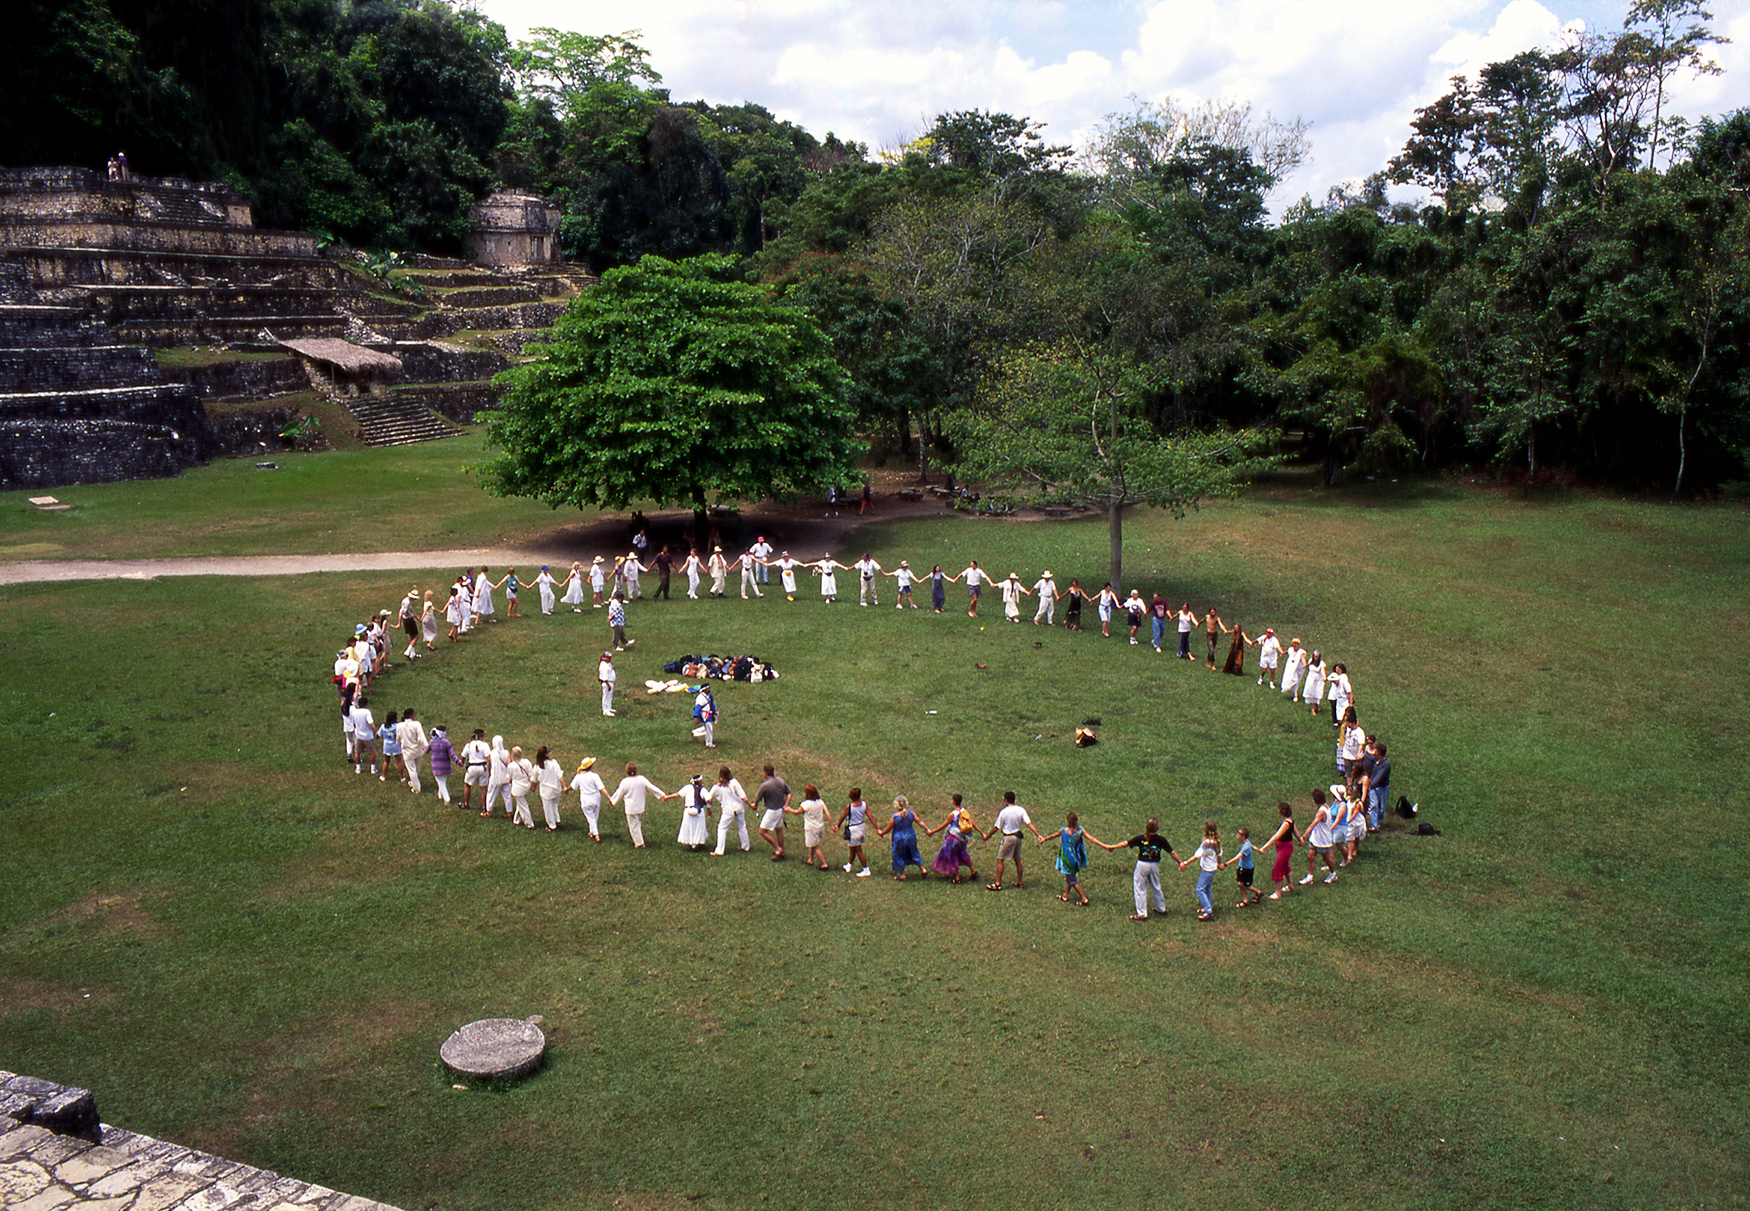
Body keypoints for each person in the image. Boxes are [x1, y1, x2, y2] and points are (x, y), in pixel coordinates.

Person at [1100, 818, 1179, 920]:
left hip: (1142, 864)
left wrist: (1113, 847)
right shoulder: (1161, 840)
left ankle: (1142, 913)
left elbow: (1125, 843)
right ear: (1157, 828)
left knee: (1140, 887)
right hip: (1154, 865)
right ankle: (1161, 908)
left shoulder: (1141, 838)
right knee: (1156, 886)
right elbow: (1172, 852)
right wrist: (1180, 862)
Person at [1041, 812, 1105, 905]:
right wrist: (1103, 845)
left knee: (1072, 880)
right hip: (1076, 858)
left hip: (1067, 859)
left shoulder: (1063, 831)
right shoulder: (1080, 830)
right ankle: (1065, 895)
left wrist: (1044, 839)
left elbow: (1053, 836)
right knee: (1070, 876)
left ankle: (1083, 898)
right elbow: (1092, 839)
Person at [984, 791, 1043, 890]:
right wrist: (1038, 834)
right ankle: (1020, 882)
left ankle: (998, 883)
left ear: (1006, 800)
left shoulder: (1004, 812)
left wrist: (987, 836)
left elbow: (996, 827)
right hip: (1018, 837)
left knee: (1000, 859)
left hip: (1008, 838)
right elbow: (1029, 823)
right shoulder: (1020, 810)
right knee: (1018, 860)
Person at [926, 794, 980, 884]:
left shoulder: (953, 814)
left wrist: (932, 832)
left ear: (953, 801)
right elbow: (973, 823)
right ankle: (973, 872)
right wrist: (982, 833)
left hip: (953, 837)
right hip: (963, 838)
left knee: (952, 856)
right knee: (963, 853)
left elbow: (943, 826)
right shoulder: (965, 812)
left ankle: (957, 877)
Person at [610, 761, 664, 848]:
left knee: (633, 826)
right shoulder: (642, 779)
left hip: (631, 808)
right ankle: (639, 840)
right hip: (640, 806)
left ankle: (639, 844)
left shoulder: (625, 782)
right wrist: (662, 794)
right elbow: (652, 787)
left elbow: (619, 792)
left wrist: (613, 801)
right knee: (637, 823)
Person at [1179, 820, 1222, 920]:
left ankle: (1208, 911)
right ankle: (1208, 906)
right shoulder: (1217, 841)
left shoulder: (1207, 843)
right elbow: (1220, 853)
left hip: (1207, 869)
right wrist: (1220, 863)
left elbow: (1197, 855)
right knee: (1207, 888)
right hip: (1212, 868)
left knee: (1199, 889)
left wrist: (1185, 863)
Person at [877, 795, 926, 879]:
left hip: (899, 838)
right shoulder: (911, 813)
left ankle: (902, 874)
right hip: (911, 836)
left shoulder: (895, 817)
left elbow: (889, 828)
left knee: (898, 854)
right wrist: (927, 829)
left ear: (896, 805)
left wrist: (881, 833)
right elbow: (919, 821)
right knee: (914, 852)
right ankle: (923, 869)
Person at [1297, 788, 1339, 885]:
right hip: (1316, 838)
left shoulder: (1322, 812)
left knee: (1327, 859)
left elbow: (1313, 824)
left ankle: (1333, 874)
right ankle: (1309, 877)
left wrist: (1303, 837)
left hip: (1323, 839)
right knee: (1310, 856)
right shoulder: (1324, 807)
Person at [708, 766, 752, 856]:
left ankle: (719, 850)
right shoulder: (734, 782)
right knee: (742, 826)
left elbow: (708, 798)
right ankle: (745, 846)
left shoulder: (716, 787)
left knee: (722, 828)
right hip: (739, 808)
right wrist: (750, 805)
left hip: (728, 810)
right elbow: (743, 796)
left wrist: (709, 808)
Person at [787, 784, 831, 869]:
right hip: (820, 826)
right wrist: (832, 825)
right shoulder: (820, 802)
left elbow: (797, 812)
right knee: (812, 843)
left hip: (811, 828)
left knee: (815, 847)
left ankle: (824, 864)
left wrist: (789, 809)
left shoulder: (805, 804)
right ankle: (810, 860)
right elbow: (827, 813)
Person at [1261, 803, 1297, 900]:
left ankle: (1278, 893)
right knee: (1284, 866)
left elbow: (1276, 836)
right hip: (1284, 848)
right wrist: (1300, 839)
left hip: (1285, 848)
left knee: (1277, 868)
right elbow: (1295, 831)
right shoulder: (1290, 821)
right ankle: (1290, 885)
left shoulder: (1286, 824)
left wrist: (1265, 847)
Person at [755, 764, 791, 860]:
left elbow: (757, 798)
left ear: (765, 773)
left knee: (762, 831)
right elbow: (789, 793)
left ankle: (778, 848)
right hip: (781, 810)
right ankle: (782, 851)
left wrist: (755, 805)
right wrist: (786, 805)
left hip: (773, 811)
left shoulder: (765, 785)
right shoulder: (780, 781)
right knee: (778, 830)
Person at [1222, 825, 1262, 908]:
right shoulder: (1247, 842)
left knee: (1245, 885)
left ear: (1243, 837)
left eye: (1238, 835)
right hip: (1242, 867)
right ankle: (1245, 900)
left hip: (1247, 869)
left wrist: (1225, 864)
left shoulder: (1245, 848)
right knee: (1240, 884)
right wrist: (1259, 850)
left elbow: (1237, 857)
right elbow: (1252, 846)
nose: (1237, 836)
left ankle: (1258, 892)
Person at [836, 788, 873, 876]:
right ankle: (849, 865)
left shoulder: (849, 807)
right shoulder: (864, 804)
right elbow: (870, 817)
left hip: (853, 829)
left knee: (858, 849)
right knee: (852, 848)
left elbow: (842, 817)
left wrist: (837, 826)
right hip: (861, 827)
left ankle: (866, 869)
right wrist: (878, 828)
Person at [571, 756, 607, 843]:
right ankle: (592, 832)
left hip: (585, 799)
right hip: (595, 797)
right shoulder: (595, 776)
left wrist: (566, 789)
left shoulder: (579, 776)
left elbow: (572, 786)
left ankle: (596, 834)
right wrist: (609, 797)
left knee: (590, 817)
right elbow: (601, 788)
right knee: (595, 816)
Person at [674, 774, 711, 851]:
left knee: (689, 827)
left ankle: (691, 844)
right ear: (700, 782)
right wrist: (708, 808)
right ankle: (698, 843)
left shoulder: (687, 787)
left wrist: (667, 797)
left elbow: (678, 794)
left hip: (688, 811)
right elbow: (709, 799)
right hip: (699, 812)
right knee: (698, 828)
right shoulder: (703, 789)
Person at [532, 745, 565, 831]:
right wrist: (564, 786)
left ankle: (551, 825)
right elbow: (560, 775)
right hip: (556, 789)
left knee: (548, 808)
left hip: (546, 792)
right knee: (554, 805)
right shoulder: (554, 763)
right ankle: (557, 820)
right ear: (546, 754)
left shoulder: (537, 767)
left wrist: (533, 788)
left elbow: (534, 780)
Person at [1360, 739, 1391, 830]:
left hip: (1382, 788)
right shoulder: (1376, 759)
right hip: (1373, 786)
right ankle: (1374, 826)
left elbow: (1379, 777)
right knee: (1373, 805)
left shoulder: (1386, 764)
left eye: (1376, 750)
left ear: (1379, 752)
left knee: (1381, 807)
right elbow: (1374, 772)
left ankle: (1379, 821)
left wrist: (1370, 785)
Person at [398, 708, 428, 795]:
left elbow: (398, 738)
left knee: (412, 770)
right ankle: (415, 784)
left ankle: (416, 787)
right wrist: (426, 746)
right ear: (411, 715)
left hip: (407, 751)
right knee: (416, 769)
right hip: (417, 750)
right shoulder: (416, 724)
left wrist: (398, 742)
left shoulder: (399, 726)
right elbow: (421, 737)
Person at [460, 728, 490, 812]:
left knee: (467, 785)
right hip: (482, 767)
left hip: (472, 767)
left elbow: (463, 756)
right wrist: (490, 768)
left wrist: (462, 762)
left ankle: (466, 803)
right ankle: (484, 807)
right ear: (481, 736)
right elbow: (488, 757)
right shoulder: (485, 745)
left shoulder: (469, 745)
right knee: (483, 788)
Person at [506, 745, 536, 829]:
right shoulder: (527, 762)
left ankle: (529, 823)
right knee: (520, 803)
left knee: (523, 806)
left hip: (518, 788)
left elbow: (509, 777)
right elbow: (531, 774)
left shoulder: (511, 766)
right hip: (526, 786)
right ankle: (516, 820)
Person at [483, 735, 511, 818]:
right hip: (505, 777)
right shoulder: (507, 752)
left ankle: (488, 811)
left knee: (491, 794)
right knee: (507, 796)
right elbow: (509, 765)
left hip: (495, 778)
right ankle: (509, 812)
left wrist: (489, 773)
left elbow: (489, 765)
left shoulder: (491, 754)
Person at [427, 724, 455, 806]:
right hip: (445, 765)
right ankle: (440, 795)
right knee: (443, 780)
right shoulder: (446, 742)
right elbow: (452, 754)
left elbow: (426, 751)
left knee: (440, 782)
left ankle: (446, 798)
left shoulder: (431, 742)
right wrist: (458, 762)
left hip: (436, 766)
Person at [349, 695, 376, 775]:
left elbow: (353, 723)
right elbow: (370, 723)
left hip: (358, 735)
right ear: (366, 704)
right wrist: (376, 731)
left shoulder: (354, 712)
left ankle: (358, 768)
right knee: (372, 752)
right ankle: (373, 769)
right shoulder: (367, 712)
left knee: (357, 752)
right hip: (368, 736)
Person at [379, 711, 403, 784]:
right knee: (398, 761)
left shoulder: (383, 726)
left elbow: (378, 735)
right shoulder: (398, 726)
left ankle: (383, 776)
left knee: (386, 761)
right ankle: (402, 777)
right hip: (396, 745)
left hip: (387, 745)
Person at [1302, 650, 1328, 718]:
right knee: (1311, 694)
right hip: (1311, 680)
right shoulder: (1310, 661)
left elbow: (1323, 671)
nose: (1316, 658)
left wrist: (1324, 677)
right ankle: (1312, 709)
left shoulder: (1321, 663)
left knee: (1317, 693)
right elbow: (1308, 666)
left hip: (1318, 681)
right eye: (1315, 656)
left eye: (1317, 656)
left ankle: (1317, 705)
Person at [1327, 662, 1354, 728]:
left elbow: (1350, 693)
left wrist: (1350, 704)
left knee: (1346, 715)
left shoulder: (1344, 683)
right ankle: (1338, 724)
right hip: (1339, 702)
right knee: (1339, 715)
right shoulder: (1335, 687)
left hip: (1345, 701)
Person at [598, 650, 617, 717]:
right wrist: (608, 685)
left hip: (610, 682)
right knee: (606, 696)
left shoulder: (607, 664)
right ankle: (605, 710)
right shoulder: (603, 666)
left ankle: (609, 708)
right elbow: (604, 678)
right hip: (607, 683)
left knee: (609, 696)